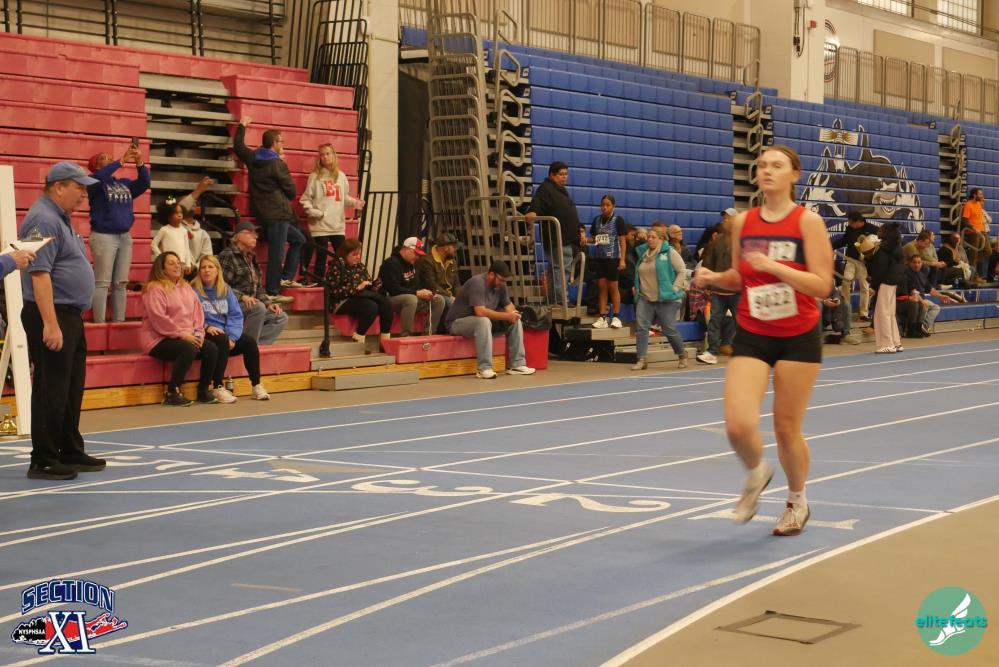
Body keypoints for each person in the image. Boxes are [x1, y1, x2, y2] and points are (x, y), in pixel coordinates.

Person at [692, 145, 833, 537]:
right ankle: (757, 473)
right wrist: (714, 278)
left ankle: (797, 500)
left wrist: (775, 266)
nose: (767, 171)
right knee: (738, 426)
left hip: (798, 335)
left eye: (777, 165)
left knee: (786, 428)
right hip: (754, 331)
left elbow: (822, 285)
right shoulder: (744, 222)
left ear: (794, 175)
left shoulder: (807, 223)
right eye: (762, 165)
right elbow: (741, 276)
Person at [20, 162, 102, 481]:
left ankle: (68, 448)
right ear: (58, 187)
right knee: (51, 387)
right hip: (52, 314)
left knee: (69, 387)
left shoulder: (61, 218)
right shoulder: (43, 218)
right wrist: (50, 323)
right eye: (78, 187)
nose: (83, 194)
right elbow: (39, 273)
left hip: (69, 314)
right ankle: (43, 458)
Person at [232, 116, 304, 296]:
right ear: (274, 143)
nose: (282, 144)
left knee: (299, 239)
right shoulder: (277, 163)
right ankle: (273, 290)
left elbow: (238, 146)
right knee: (277, 253)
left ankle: (285, 278)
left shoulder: (253, 157)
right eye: (281, 141)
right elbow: (291, 191)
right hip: (278, 212)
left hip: (262, 211)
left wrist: (242, 125)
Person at [140, 251, 218, 406]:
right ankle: (172, 392)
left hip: (187, 336)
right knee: (188, 349)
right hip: (159, 339)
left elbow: (198, 314)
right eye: (171, 263)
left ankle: (203, 390)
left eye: (178, 263)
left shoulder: (186, 287)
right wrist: (184, 335)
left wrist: (198, 334)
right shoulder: (154, 289)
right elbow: (159, 319)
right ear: (162, 269)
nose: (177, 266)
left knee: (211, 348)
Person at [191, 255, 270, 401]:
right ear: (199, 271)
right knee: (221, 339)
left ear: (217, 270)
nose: (206, 270)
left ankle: (256, 385)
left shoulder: (225, 290)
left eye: (210, 267)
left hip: (225, 333)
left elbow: (235, 315)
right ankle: (217, 387)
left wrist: (232, 337)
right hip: (203, 332)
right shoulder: (193, 291)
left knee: (249, 342)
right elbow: (189, 316)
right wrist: (206, 327)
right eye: (203, 267)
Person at [87, 144, 150, 323]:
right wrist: (121, 161)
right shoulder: (93, 181)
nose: (109, 159)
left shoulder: (124, 183)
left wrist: (139, 162)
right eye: (103, 158)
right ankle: (99, 323)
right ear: (95, 166)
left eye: (110, 157)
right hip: (103, 235)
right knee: (102, 282)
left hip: (124, 236)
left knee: (121, 282)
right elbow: (101, 176)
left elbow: (144, 183)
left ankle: (119, 321)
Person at [445, 261, 536, 379]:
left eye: (504, 280)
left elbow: (509, 307)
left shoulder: (500, 285)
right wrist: (506, 316)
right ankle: (484, 368)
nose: (502, 283)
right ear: (491, 274)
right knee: (483, 321)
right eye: (501, 279)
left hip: (481, 321)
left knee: (515, 320)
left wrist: (514, 315)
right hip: (457, 323)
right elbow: (480, 312)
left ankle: (517, 364)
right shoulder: (477, 283)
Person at [299, 143, 364, 282]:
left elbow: (343, 198)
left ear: (334, 155)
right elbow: (305, 199)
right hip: (320, 224)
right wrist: (315, 212)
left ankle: (343, 281)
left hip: (337, 224)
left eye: (328, 153)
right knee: (321, 255)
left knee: (342, 256)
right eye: (322, 154)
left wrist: (355, 203)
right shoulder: (315, 176)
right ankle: (318, 283)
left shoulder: (341, 176)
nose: (325, 157)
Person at [218, 221, 290, 345]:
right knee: (258, 308)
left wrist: (268, 303)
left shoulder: (251, 256)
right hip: (231, 304)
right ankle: (248, 346)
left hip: (251, 304)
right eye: (250, 233)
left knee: (280, 317)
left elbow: (258, 287)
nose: (255, 236)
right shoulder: (228, 255)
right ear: (238, 236)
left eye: (255, 234)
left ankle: (252, 345)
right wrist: (242, 296)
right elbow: (220, 285)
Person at [631, 227, 688, 371]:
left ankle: (682, 354)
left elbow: (682, 271)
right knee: (642, 328)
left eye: (653, 237)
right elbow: (640, 273)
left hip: (667, 298)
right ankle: (641, 359)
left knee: (668, 329)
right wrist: (637, 286)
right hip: (645, 297)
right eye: (648, 237)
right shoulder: (643, 253)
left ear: (662, 239)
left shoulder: (669, 252)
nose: (650, 239)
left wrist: (674, 288)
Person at [526, 161, 581, 301]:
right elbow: (537, 203)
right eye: (561, 174)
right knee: (562, 268)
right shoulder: (546, 188)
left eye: (566, 174)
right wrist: (533, 211)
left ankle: (554, 299)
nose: (564, 177)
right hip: (557, 237)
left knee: (555, 268)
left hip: (565, 237)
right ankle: (562, 300)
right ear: (552, 175)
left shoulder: (560, 190)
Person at [327, 238, 392, 348]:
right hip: (341, 301)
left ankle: (385, 342)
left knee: (386, 303)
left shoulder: (360, 266)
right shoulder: (336, 267)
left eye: (359, 254)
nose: (358, 257)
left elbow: (368, 285)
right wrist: (357, 288)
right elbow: (336, 292)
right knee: (371, 306)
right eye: (354, 254)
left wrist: (375, 285)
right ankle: (358, 338)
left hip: (359, 297)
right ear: (345, 254)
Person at [378, 237, 445, 336]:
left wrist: (425, 293)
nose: (417, 257)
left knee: (438, 300)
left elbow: (415, 286)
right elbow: (393, 290)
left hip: (408, 298)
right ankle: (406, 335)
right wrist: (417, 293)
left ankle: (428, 333)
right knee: (411, 299)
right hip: (389, 299)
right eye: (415, 254)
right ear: (406, 249)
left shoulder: (411, 264)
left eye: (419, 255)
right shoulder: (390, 263)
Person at [697, 211, 739, 364]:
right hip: (718, 291)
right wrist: (708, 284)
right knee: (714, 321)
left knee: (741, 322)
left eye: (728, 218)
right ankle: (712, 352)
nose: (725, 220)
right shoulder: (718, 240)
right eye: (724, 218)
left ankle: (744, 350)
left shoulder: (743, 239)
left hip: (737, 291)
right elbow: (709, 262)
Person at [587, 195, 628, 329]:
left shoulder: (618, 220)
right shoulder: (597, 220)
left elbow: (622, 241)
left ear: (613, 206)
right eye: (602, 205)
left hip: (613, 258)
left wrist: (622, 260)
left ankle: (616, 316)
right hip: (599, 258)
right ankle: (603, 317)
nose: (604, 207)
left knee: (613, 288)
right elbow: (595, 238)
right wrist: (586, 240)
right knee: (602, 288)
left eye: (607, 205)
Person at [866, 222, 906, 354]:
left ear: (886, 232)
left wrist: (873, 286)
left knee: (882, 314)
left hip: (885, 282)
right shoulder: (897, 246)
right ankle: (896, 342)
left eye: (881, 230)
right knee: (890, 313)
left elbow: (879, 270)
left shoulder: (883, 249)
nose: (879, 232)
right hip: (894, 282)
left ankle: (887, 343)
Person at [831, 209, 877, 320]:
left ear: (859, 221)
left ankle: (863, 313)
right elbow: (843, 241)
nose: (850, 225)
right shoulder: (850, 229)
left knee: (864, 286)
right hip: (851, 259)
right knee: (846, 282)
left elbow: (877, 243)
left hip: (864, 262)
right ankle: (846, 309)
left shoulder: (872, 229)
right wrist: (830, 246)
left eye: (851, 223)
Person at [899, 255, 953, 337]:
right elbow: (913, 291)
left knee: (935, 307)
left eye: (919, 262)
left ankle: (923, 326)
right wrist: (922, 301)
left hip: (921, 298)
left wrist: (941, 296)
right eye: (914, 262)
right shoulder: (907, 274)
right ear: (910, 263)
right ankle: (916, 328)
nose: (917, 265)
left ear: (921, 264)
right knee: (923, 305)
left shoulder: (921, 274)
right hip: (912, 299)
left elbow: (930, 289)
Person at [416, 232, 461, 325]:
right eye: (454, 247)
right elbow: (432, 286)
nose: (455, 250)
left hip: (448, 295)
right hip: (435, 295)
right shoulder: (427, 261)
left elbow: (457, 284)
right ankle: (449, 329)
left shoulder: (452, 261)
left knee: (465, 303)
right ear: (445, 248)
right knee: (449, 302)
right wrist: (450, 296)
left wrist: (460, 297)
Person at [150, 199, 195, 274]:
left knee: (179, 280)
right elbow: (153, 244)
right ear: (168, 215)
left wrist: (188, 264)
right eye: (175, 213)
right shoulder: (164, 230)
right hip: (169, 263)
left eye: (181, 212)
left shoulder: (184, 231)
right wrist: (162, 257)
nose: (179, 215)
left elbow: (186, 248)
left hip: (181, 263)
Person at [178, 176, 215, 265]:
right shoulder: (174, 227)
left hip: (198, 271)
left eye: (194, 201)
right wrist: (199, 190)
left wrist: (195, 267)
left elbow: (207, 257)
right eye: (190, 201)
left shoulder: (203, 234)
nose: (193, 202)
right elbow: (182, 206)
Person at [960, 188, 990, 283]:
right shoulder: (968, 205)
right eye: (980, 194)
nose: (982, 196)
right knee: (974, 253)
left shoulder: (979, 204)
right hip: (972, 232)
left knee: (988, 251)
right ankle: (974, 276)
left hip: (982, 231)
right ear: (974, 195)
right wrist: (973, 228)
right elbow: (964, 220)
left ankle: (972, 262)